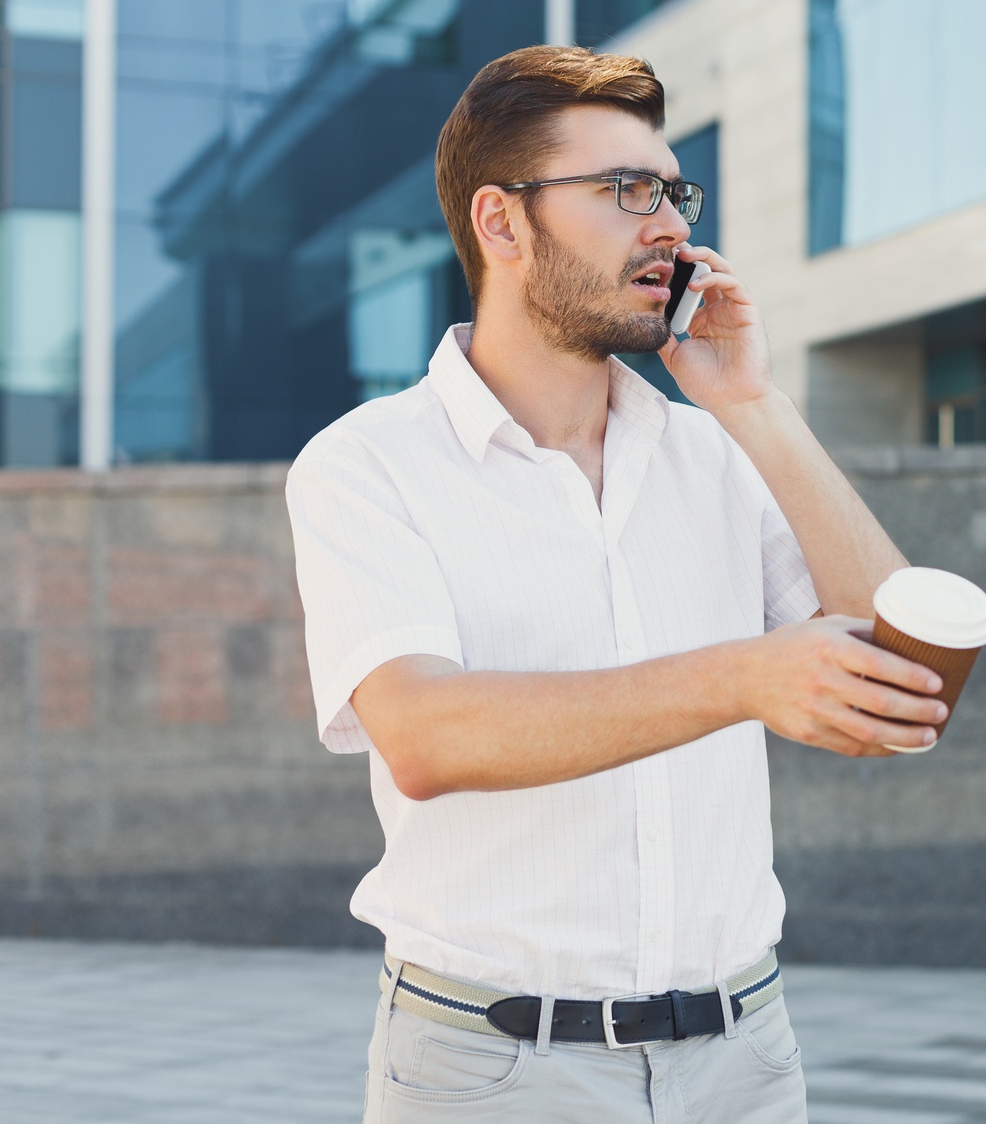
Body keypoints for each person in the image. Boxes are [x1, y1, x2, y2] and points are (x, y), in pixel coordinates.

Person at [285, 45, 948, 1123]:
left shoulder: (718, 454)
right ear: (503, 223)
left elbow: (910, 676)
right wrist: (744, 676)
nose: (673, 226)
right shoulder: (367, 463)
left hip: (745, 1058)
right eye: (627, 191)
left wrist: (754, 404)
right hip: (493, 1070)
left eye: (675, 193)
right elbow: (426, 733)